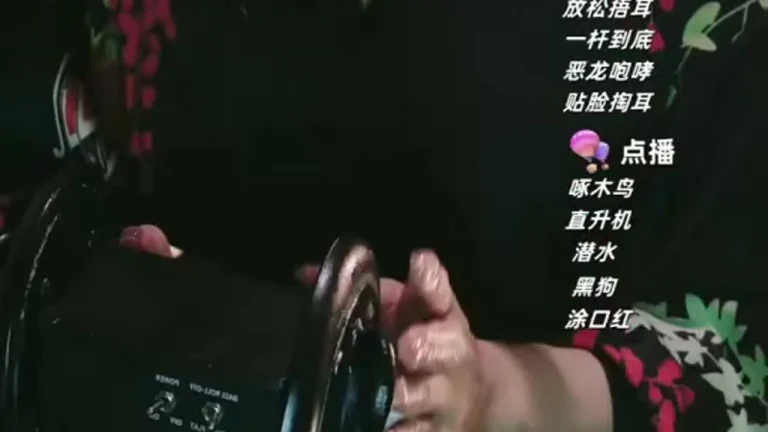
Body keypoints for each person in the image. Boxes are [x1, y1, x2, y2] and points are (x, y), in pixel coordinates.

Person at [2, 0, 768, 431]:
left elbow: (731, 364)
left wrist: (485, 393)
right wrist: (97, 279)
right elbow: (59, 133)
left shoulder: (710, 33)